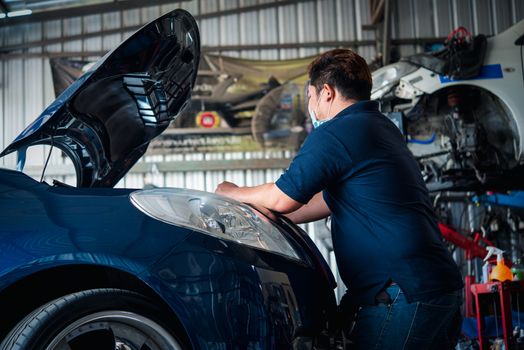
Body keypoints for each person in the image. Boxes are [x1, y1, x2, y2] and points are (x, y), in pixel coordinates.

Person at [215, 48, 463, 349]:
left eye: (310, 96)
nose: (310, 104)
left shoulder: (337, 132)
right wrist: (261, 209)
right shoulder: (380, 127)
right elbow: (321, 202)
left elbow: (283, 197)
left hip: (400, 291)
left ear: (327, 92)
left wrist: (231, 193)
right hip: (434, 287)